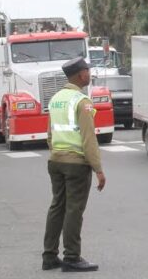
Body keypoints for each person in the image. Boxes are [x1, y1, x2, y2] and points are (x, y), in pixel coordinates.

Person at [42, 57, 106, 272]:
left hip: (56, 161)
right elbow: (89, 140)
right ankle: (71, 257)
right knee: (73, 210)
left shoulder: (55, 99)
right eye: (87, 70)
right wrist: (98, 169)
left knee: (57, 207)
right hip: (76, 164)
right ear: (81, 75)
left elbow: (50, 135)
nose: (89, 73)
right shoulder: (82, 101)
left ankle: (49, 256)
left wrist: (57, 152)